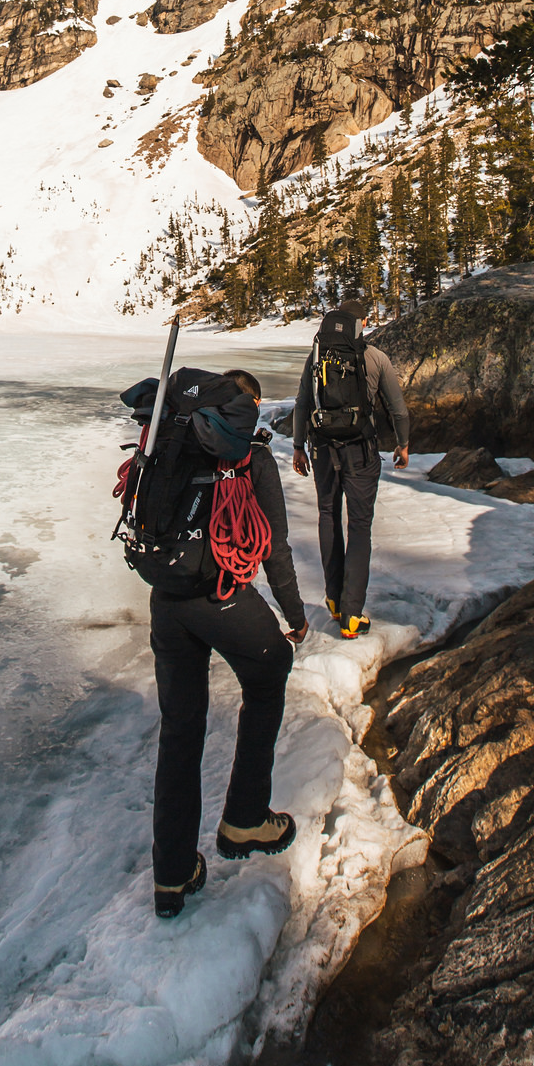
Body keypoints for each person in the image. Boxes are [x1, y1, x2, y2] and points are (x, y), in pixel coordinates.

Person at [150, 368, 308, 920]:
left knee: (180, 728)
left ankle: (171, 876)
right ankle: (244, 818)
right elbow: (275, 549)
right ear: (251, 406)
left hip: (166, 598)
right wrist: (295, 615)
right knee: (271, 672)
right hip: (220, 595)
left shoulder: (169, 440)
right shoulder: (250, 457)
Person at [292, 299, 409, 639]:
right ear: (364, 322)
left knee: (328, 515)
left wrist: (299, 447)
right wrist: (403, 444)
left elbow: (302, 403)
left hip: (324, 450)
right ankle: (352, 615)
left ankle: (333, 598)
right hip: (361, 451)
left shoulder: (316, 356)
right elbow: (398, 409)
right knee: (359, 527)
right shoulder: (375, 358)